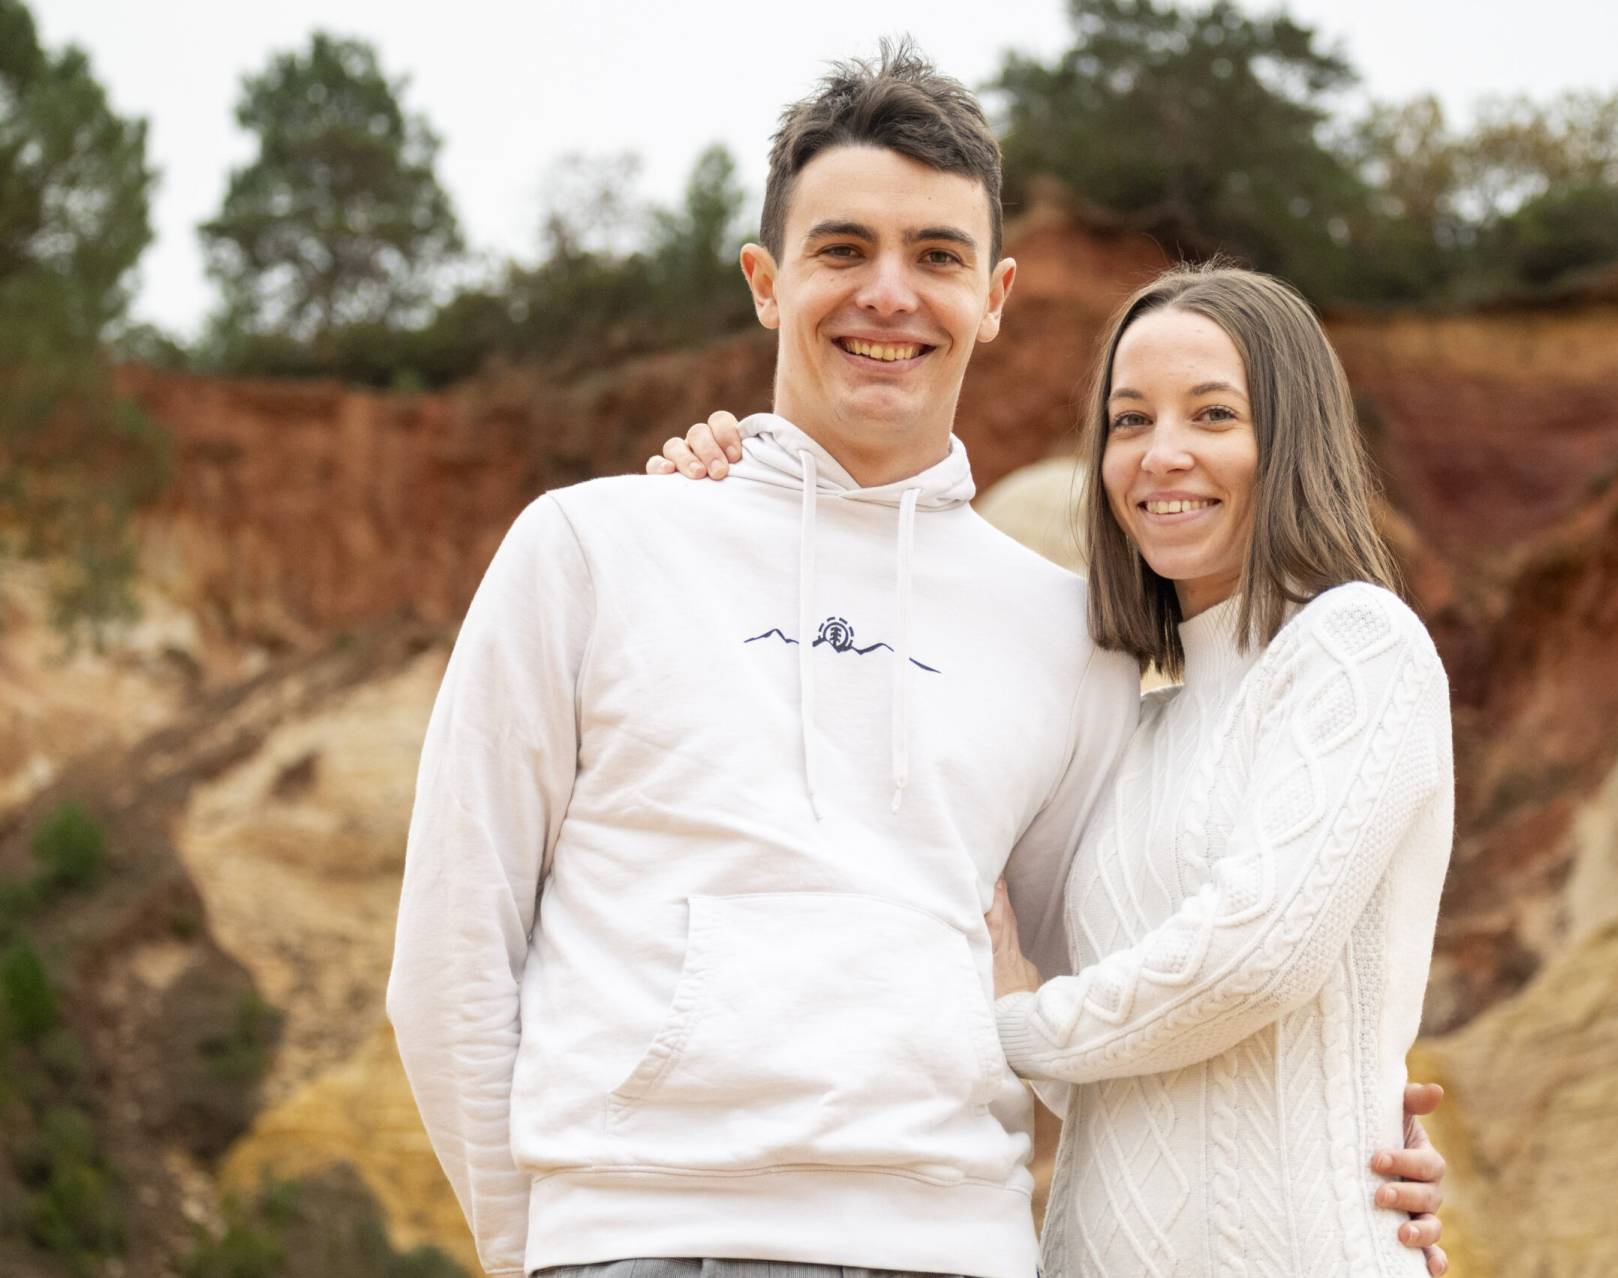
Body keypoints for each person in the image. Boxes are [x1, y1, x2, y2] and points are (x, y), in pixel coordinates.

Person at [388, 43, 1446, 1278]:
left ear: (993, 296)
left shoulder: (1068, 638)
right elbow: (451, 954)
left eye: (936, 257)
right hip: (647, 1239)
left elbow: (1132, 982)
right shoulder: (593, 547)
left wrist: (1351, 1140)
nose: (889, 294)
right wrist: (549, 1252)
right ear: (765, 280)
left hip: (964, 1252)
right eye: (843, 250)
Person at [653, 262, 1453, 1278]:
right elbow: (1116, 1078)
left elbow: (1258, 955)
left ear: (1290, 438)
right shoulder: (1132, 721)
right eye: (1128, 422)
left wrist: (1017, 1022)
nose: (1161, 456)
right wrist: (723, 496)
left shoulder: (1353, 646)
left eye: (1212, 415)